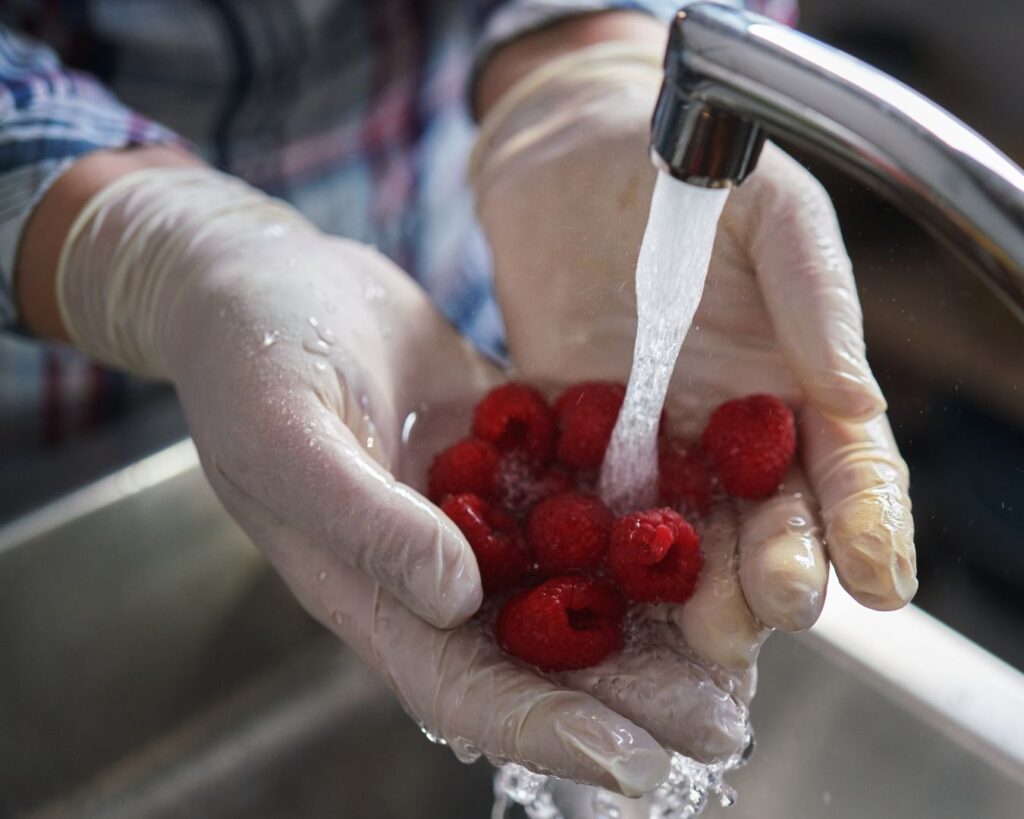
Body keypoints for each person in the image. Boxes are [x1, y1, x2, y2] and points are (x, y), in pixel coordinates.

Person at [1, 0, 917, 796]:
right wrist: (144, 245)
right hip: (48, 419)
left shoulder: (521, 433)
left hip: (471, 316)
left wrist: (589, 56)